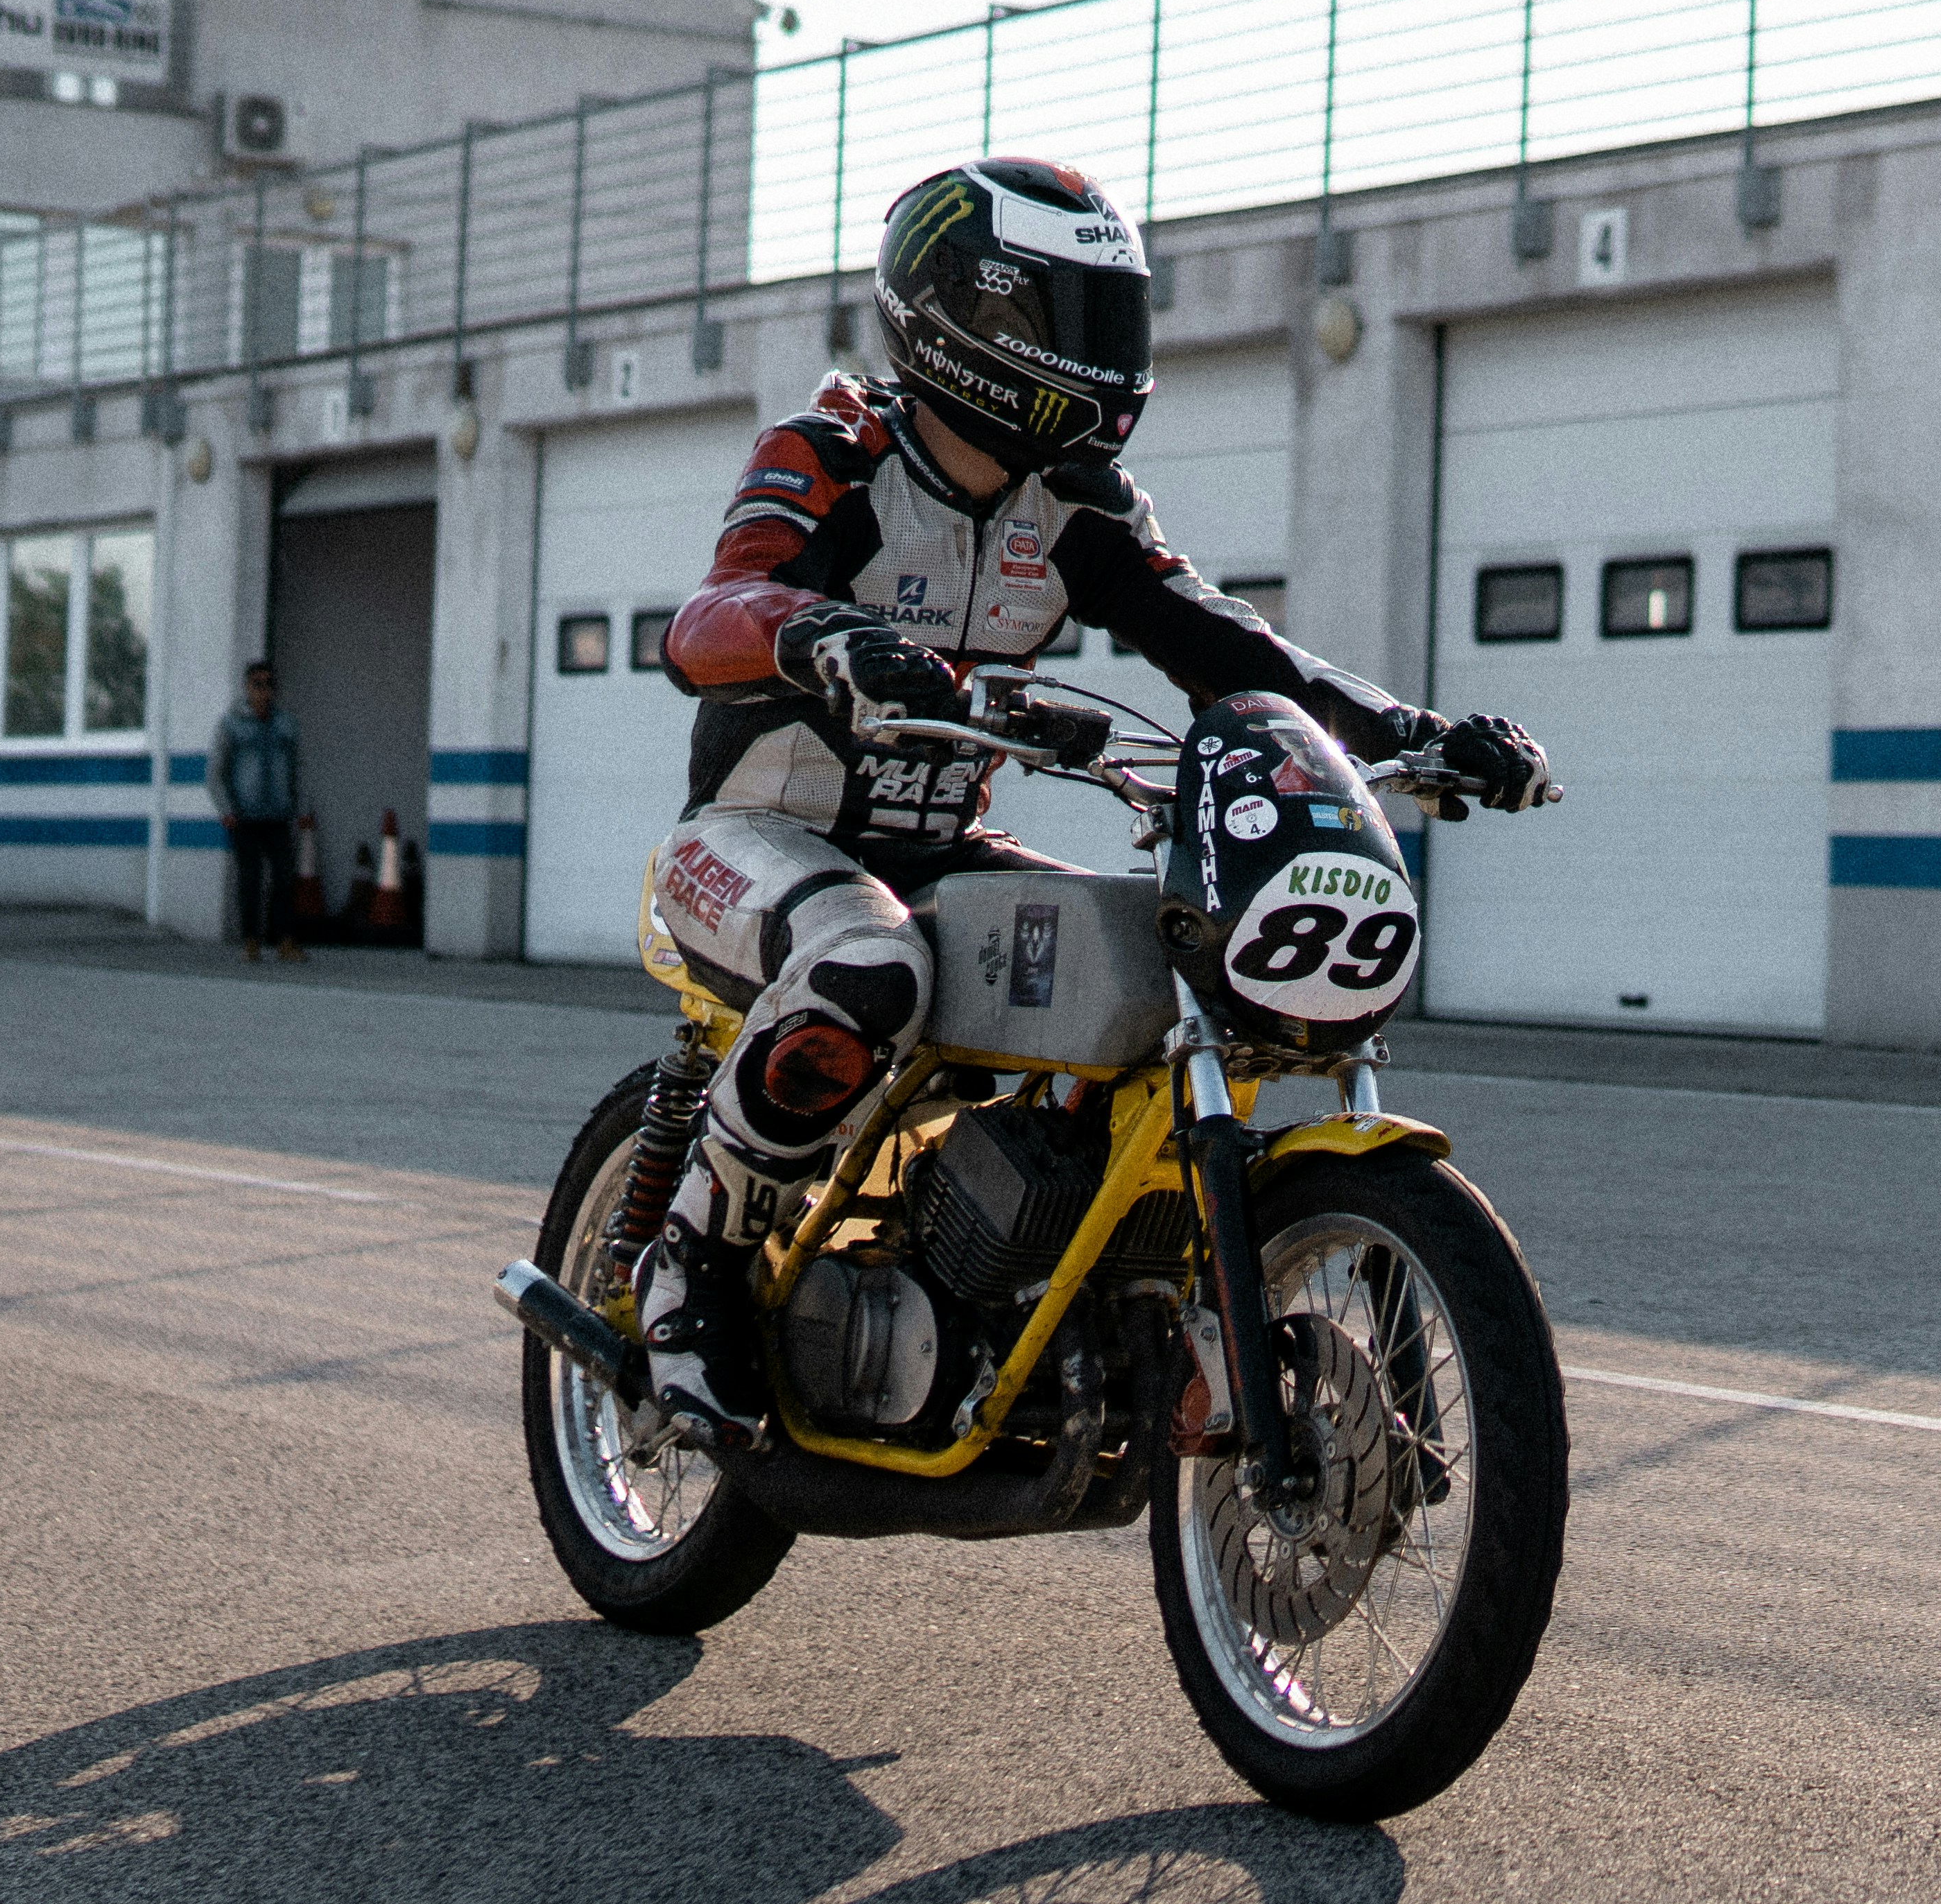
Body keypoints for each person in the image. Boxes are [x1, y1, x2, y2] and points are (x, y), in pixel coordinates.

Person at [631, 155, 1552, 1437]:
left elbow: (1233, 651)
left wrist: (1415, 731)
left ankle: (1042, 1292)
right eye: (1071, 321)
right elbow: (707, 618)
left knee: (1145, 974)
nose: (1106, 355)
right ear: (970, 319)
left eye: (1116, 319)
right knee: (868, 970)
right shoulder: (836, 454)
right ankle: (690, 1274)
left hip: (942, 856)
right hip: (756, 842)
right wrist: (813, 636)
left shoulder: (1072, 505)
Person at [208, 659, 306, 965]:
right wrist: (226, 810)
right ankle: (251, 941)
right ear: (247, 688)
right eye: (258, 685)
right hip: (245, 817)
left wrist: (300, 809)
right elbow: (215, 772)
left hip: (279, 816)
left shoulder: (286, 725)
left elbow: (298, 770)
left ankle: (285, 940)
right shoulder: (231, 725)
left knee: (284, 880)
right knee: (250, 880)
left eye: (270, 685)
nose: (265, 691)